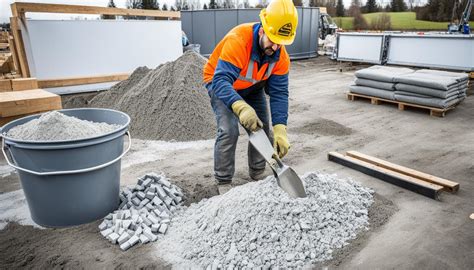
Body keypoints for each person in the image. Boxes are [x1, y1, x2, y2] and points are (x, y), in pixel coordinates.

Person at [203, 0, 298, 188]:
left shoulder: (281, 57)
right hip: (220, 83)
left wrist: (281, 129)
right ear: (262, 30)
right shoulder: (239, 40)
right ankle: (224, 181)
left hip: (252, 87)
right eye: (272, 41)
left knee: (262, 129)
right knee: (229, 130)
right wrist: (240, 107)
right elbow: (221, 81)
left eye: (281, 43)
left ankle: (257, 172)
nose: (276, 48)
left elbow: (279, 93)